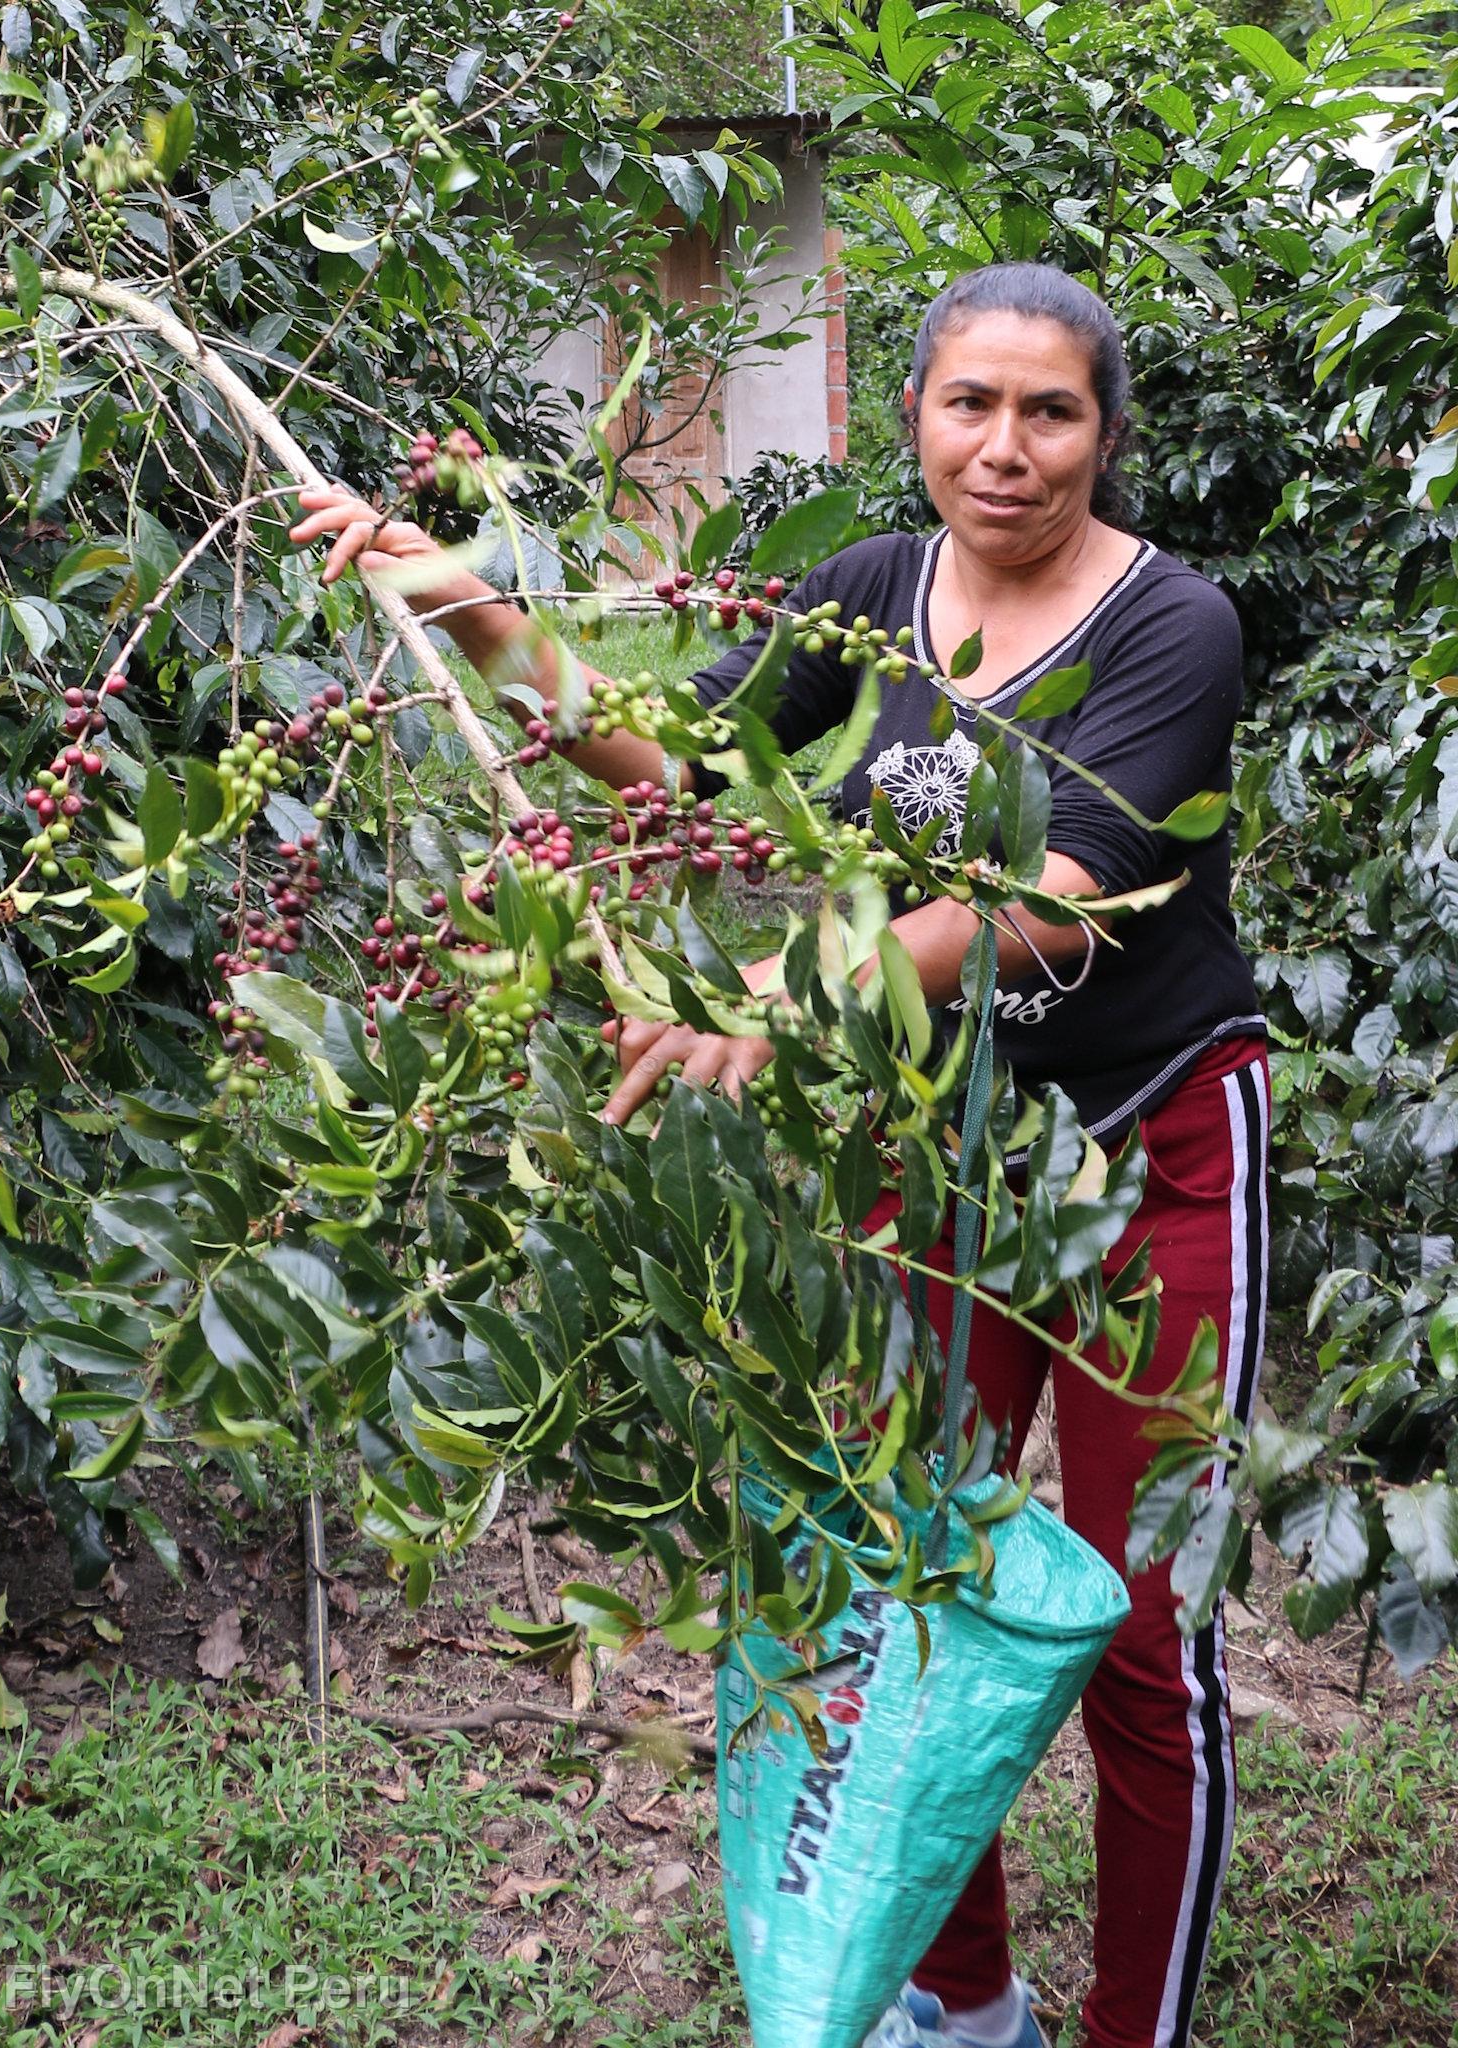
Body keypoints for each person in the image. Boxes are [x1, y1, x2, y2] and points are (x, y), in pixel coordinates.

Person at [289, 260, 1269, 2048]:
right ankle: (963, 2006)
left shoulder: (1172, 626)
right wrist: (476, 612)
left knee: (1145, 1643)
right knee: (909, 1582)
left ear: (1105, 439)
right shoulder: (868, 596)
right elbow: (681, 777)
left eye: (1050, 411)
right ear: (912, 415)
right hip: (939, 1151)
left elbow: (1065, 905)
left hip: (1152, 1154)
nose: (1005, 446)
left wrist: (786, 986)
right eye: (969, 402)